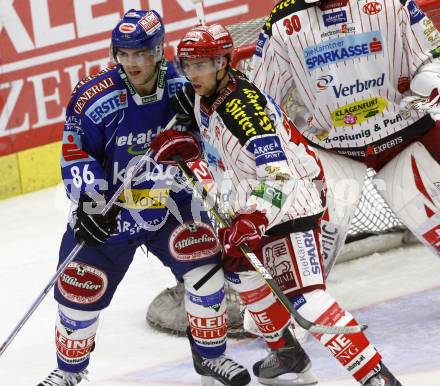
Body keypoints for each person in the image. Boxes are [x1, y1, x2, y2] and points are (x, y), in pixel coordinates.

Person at [151, 23, 401, 386]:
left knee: (306, 297)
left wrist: (253, 218)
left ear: (224, 62)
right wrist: (191, 147)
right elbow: (220, 145)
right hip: (249, 203)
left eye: (202, 65)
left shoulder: (243, 110)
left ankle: (376, 376)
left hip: (290, 203)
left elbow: (279, 176)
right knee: (240, 270)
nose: (193, 73)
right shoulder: (203, 93)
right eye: (188, 65)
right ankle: (287, 354)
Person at [38, 10, 254, 386]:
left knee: (205, 273)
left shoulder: (184, 84)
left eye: (140, 53)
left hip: (170, 203)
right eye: (123, 54)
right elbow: (76, 153)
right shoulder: (94, 96)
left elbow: (216, 134)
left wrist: (198, 120)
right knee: (77, 288)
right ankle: (68, 373)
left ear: (158, 51)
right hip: (110, 209)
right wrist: (91, 202)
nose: (131, 62)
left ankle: (211, 359)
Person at [251, 0, 440, 275]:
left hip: (406, 133)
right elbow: (260, 98)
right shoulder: (282, 21)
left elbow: (430, 55)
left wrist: (432, 82)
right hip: (331, 149)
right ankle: (279, 310)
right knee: (309, 249)